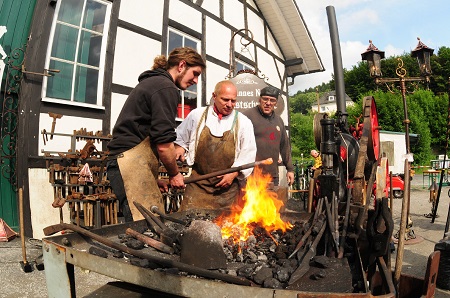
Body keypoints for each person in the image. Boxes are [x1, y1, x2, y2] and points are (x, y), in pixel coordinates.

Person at [107, 47, 206, 221]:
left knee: (151, 226)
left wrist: (152, 179)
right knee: (147, 229)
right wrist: (174, 174)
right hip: (128, 163)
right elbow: (164, 144)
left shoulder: (155, 83)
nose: (196, 81)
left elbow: (147, 134)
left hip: (129, 162)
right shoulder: (165, 87)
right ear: (182, 65)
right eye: (195, 73)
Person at [175, 80, 256, 210]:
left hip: (227, 191)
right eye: (225, 100)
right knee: (189, 225)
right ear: (214, 96)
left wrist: (233, 174)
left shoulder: (243, 122)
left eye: (233, 101)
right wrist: (180, 147)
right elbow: (180, 137)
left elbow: (248, 154)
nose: (230, 104)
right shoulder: (197, 115)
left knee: (228, 228)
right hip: (197, 186)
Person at [243, 86, 294, 186]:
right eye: (265, 99)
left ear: (276, 103)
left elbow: (284, 146)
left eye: (272, 100)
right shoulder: (247, 116)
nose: (268, 103)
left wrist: (290, 169)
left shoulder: (279, 121)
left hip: (272, 175)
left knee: (272, 201)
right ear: (259, 99)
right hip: (251, 175)